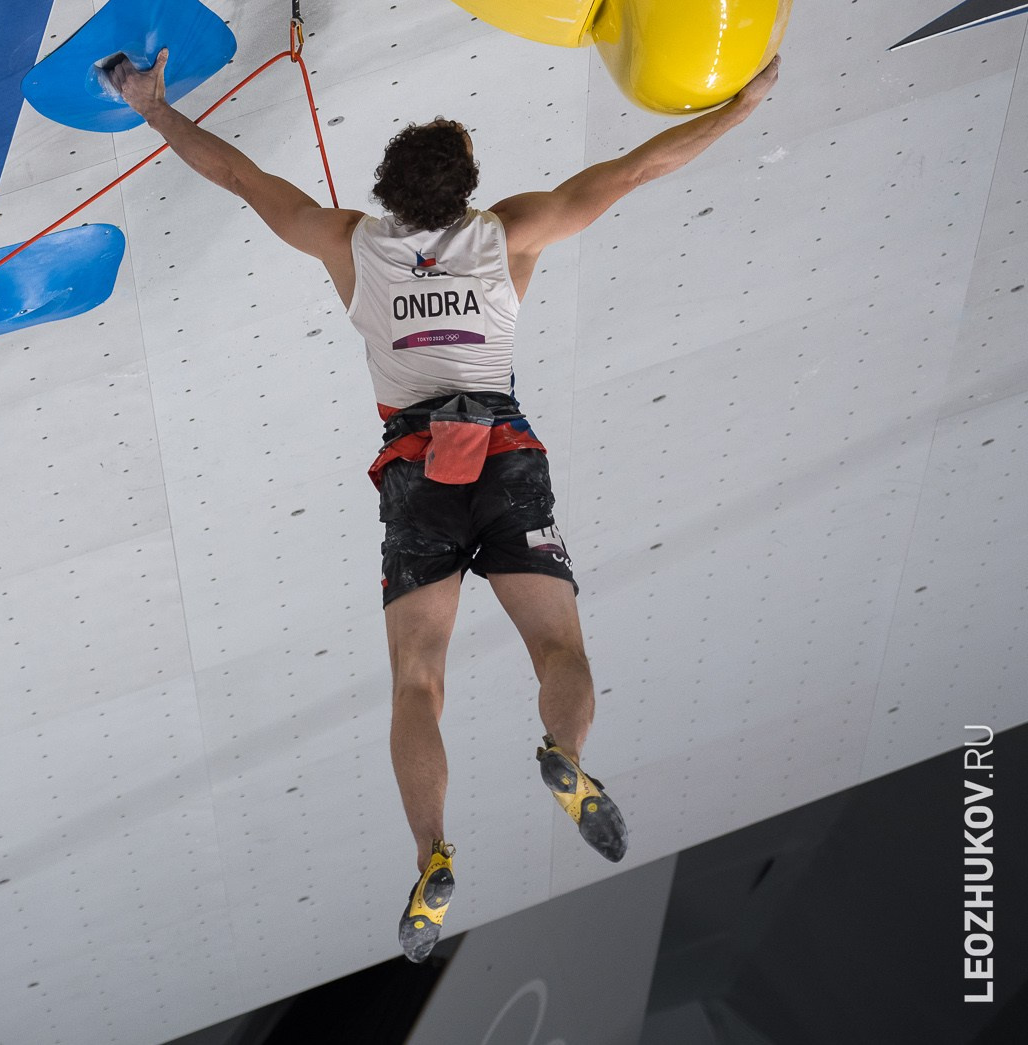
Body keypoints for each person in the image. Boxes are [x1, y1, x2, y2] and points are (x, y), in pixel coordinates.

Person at [106, 48, 781, 961]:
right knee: (560, 648)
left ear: (389, 190)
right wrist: (739, 108)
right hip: (504, 456)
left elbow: (236, 175)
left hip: (417, 472)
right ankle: (567, 756)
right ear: (469, 186)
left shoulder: (347, 239)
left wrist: (152, 106)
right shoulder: (512, 231)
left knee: (417, 680)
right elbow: (638, 167)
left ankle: (430, 853)